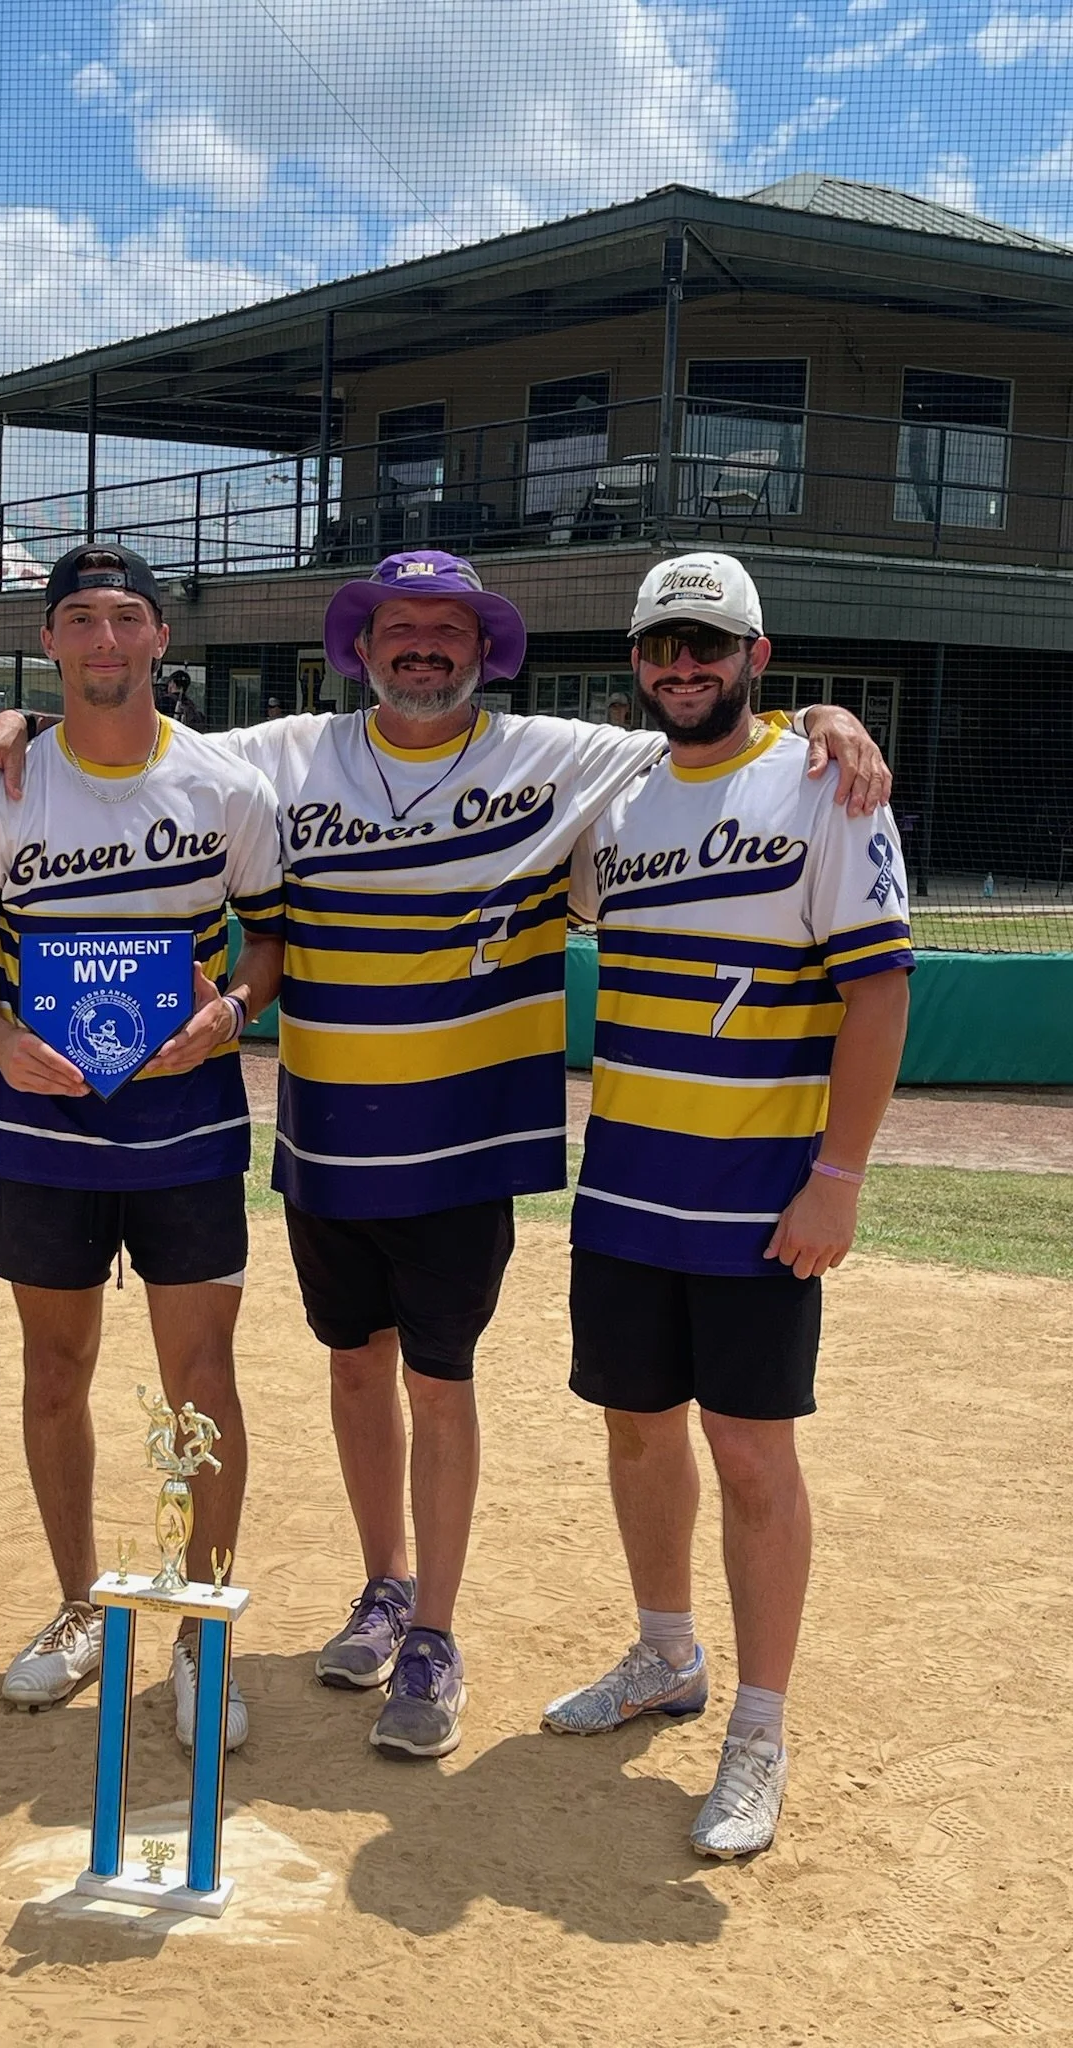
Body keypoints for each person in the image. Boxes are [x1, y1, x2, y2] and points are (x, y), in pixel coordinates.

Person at [0, 549, 888, 1761]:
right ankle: (382, 1584)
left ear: (486, 647)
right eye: (400, 627)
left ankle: (435, 1631)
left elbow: (718, 736)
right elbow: (132, 726)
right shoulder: (283, 756)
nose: (424, 648)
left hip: (467, 1145)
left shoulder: (565, 759)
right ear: (362, 644)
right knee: (353, 1373)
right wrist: (14, 718)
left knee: (440, 1382)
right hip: (329, 1141)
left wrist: (828, 713)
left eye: (450, 628)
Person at [540, 554, 913, 1858]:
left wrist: (840, 1175)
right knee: (638, 1431)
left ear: (757, 652)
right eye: (660, 648)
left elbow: (876, 994)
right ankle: (664, 1657)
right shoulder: (620, 799)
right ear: (636, 662)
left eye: (707, 645)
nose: (681, 668)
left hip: (763, 1199)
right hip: (627, 1190)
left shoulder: (825, 783)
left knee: (752, 1455)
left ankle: (757, 1732)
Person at [0, 543, 283, 1750]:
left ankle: (199, 1629)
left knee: (202, 1388)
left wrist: (232, 1012)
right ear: (52, 640)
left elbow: (273, 943)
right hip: (43, 1130)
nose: (106, 641)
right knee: (53, 1373)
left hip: (187, 1127)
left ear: (161, 637)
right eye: (81, 620)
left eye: (126, 617)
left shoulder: (225, 786)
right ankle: (81, 1605)